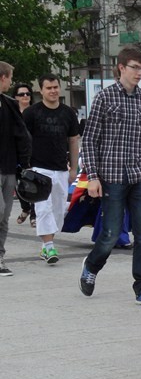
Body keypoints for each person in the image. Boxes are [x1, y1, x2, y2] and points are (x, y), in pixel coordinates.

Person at [78, 47, 141, 307]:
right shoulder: (105, 98)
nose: (139, 72)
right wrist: (92, 176)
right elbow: (90, 139)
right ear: (121, 68)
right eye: (135, 67)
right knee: (112, 234)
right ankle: (91, 266)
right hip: (112, 176)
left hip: (140, 175)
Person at [22, 74, 79, 264]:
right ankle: (49, 248)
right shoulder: (31, 113)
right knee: (43, 208)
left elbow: (73, 141)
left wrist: (74, 168)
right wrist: (25, 166)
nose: (53, 91)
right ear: (41, 90)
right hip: (38, 168)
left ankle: (46, 245)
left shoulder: (68, 113)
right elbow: (23, 140)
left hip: (61, 168)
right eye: (49, 88)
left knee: (59, 210)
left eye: (55, 87)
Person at [0, 61, 32, 276]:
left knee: (4, 217)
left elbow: (22, 135)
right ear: (3, 77)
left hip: (9, 167)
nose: (11, 81)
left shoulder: (10, 104)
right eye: (10, 77)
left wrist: (25, 165)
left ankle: (0, 258)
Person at [13, 82, 36, 228]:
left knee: (34, 184)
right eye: (22, 94)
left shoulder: (35, 112)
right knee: (18, 184)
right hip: (15, 154)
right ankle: (26, 208)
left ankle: (34, 214)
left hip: (34, 153)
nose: (25, 96)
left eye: (28, 94)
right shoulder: (12, 113)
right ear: (16, 97)